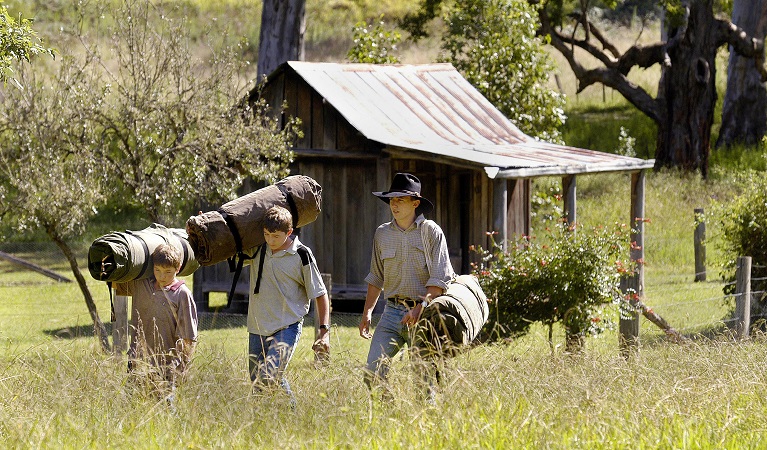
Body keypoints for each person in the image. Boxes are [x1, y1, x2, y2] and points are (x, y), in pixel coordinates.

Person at [358, 172, 455, 400]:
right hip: (391, 313)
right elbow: (376, 276)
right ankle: (390, 415)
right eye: (392, 199)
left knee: (424, 382)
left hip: (424, 314)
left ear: (415, 203)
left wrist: (420, 307)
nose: (394, 204)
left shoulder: (431, 232)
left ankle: (424, 425)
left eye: (400, 199)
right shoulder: (382, 234)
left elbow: (440, 279)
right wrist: (367, 313)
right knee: (372, 372)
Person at [244, 205, 330, 407]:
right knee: (258, 383)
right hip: (257, 327)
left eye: (275, 236)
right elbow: (227, 250)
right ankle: (268, 420)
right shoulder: (258, 249)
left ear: (289, 232)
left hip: (287, 326)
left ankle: (292, 412)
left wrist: (323, 332)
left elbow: (320, 293)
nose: (270, 240)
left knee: (269, 374)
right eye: (266, 234)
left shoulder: (301, 254)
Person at [116, 243, 198, 404]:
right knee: (130, 409)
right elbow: (114, 281)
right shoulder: (141, 284)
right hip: (137, 361)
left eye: (168, 272)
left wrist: (183, 367)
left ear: (178, 268)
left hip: (166, 365)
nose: (162, 277)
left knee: (165, 411)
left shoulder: (182, 294)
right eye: (157, 270)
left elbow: (189, 337)